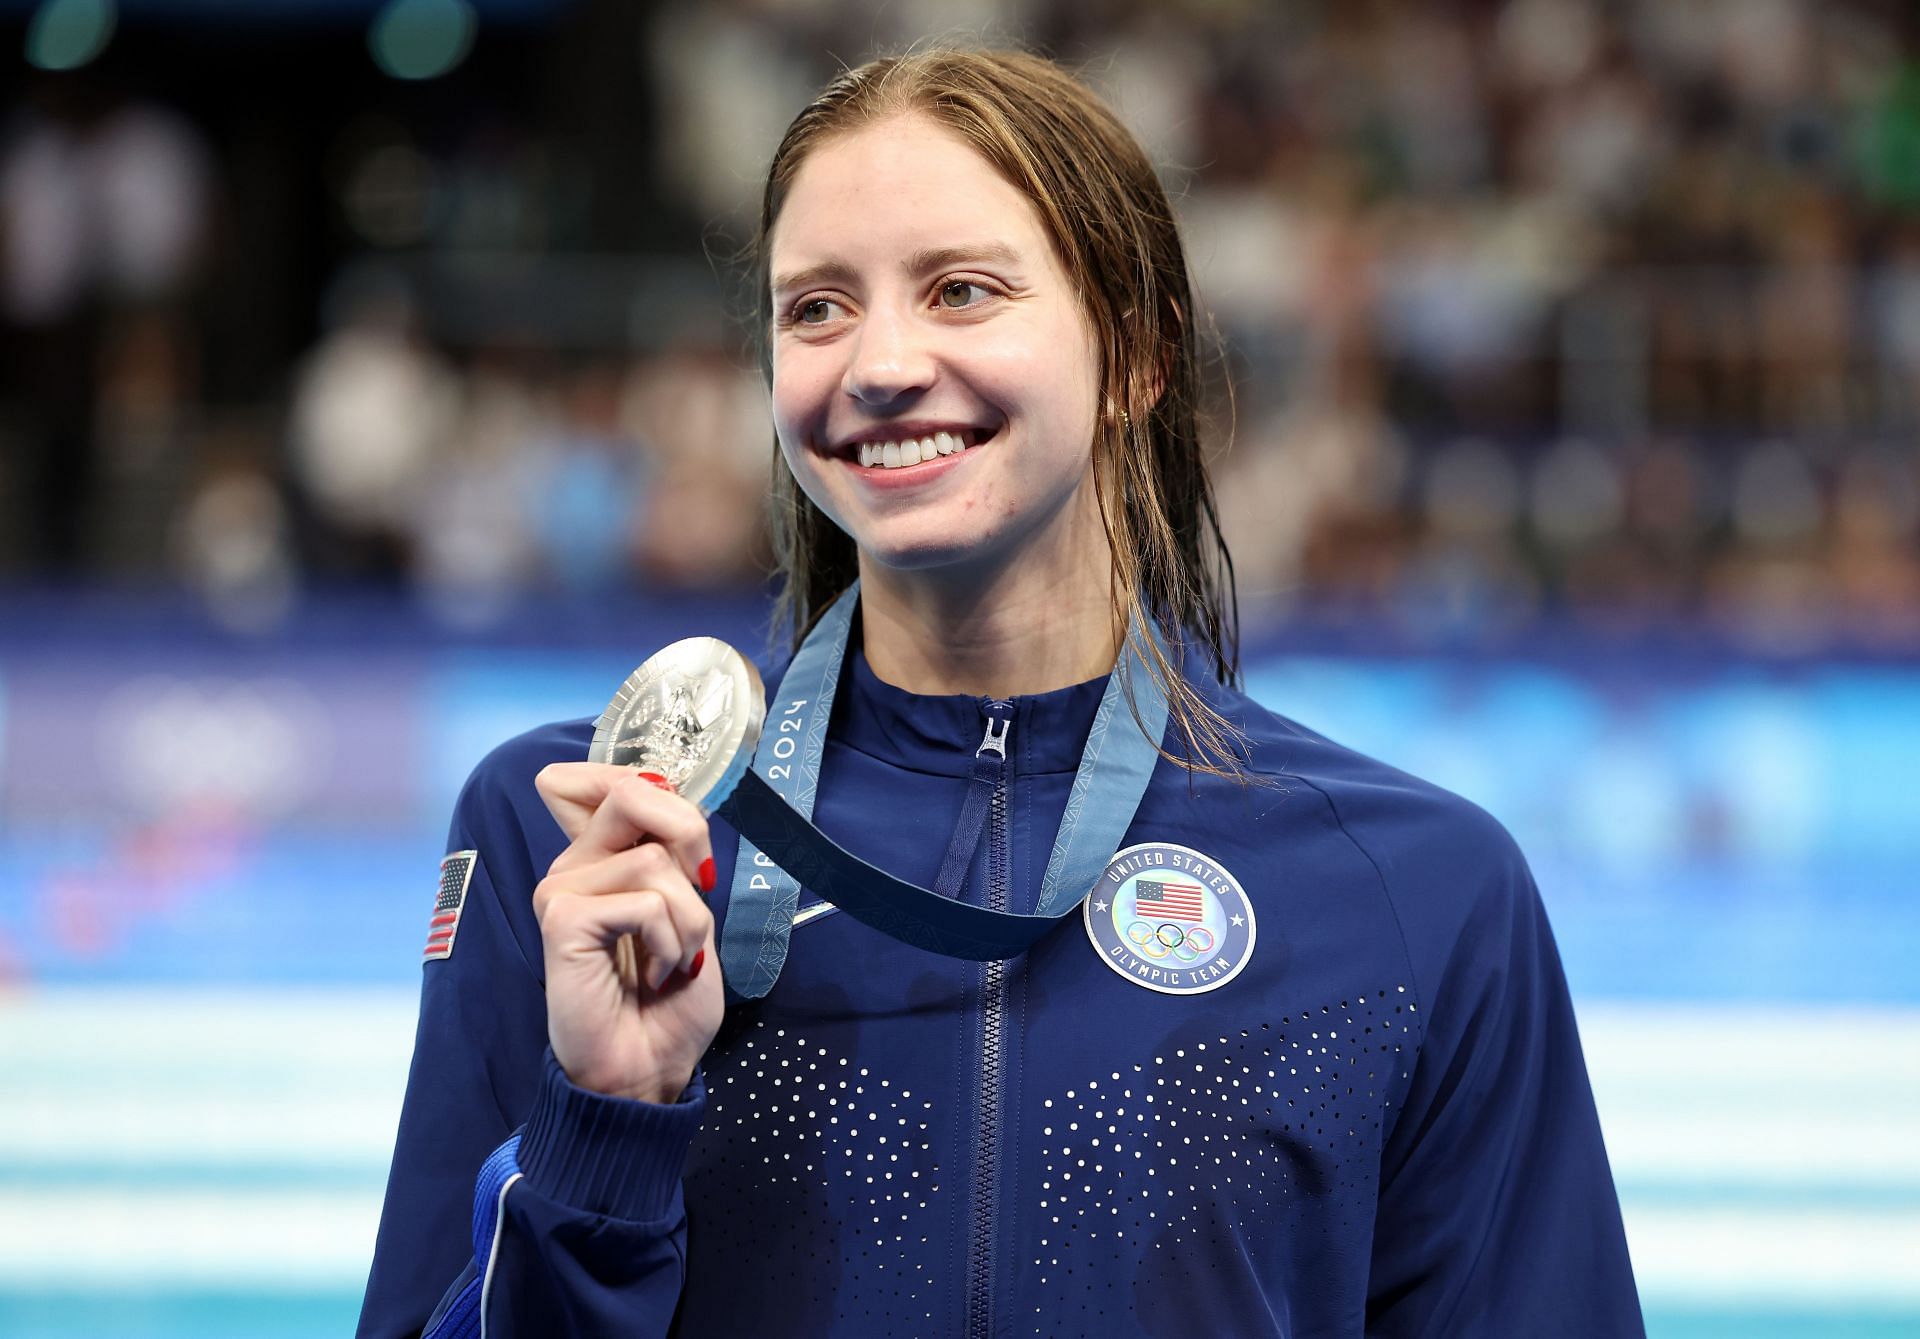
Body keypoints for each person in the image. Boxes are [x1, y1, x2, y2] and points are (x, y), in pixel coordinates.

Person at [358, 47, 1643, 1338]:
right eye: (816, 308)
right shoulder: (592, 843)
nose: (879, 363)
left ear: (1137, 355)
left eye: (962, 291)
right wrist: (606, 1125)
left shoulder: (1417, 895)